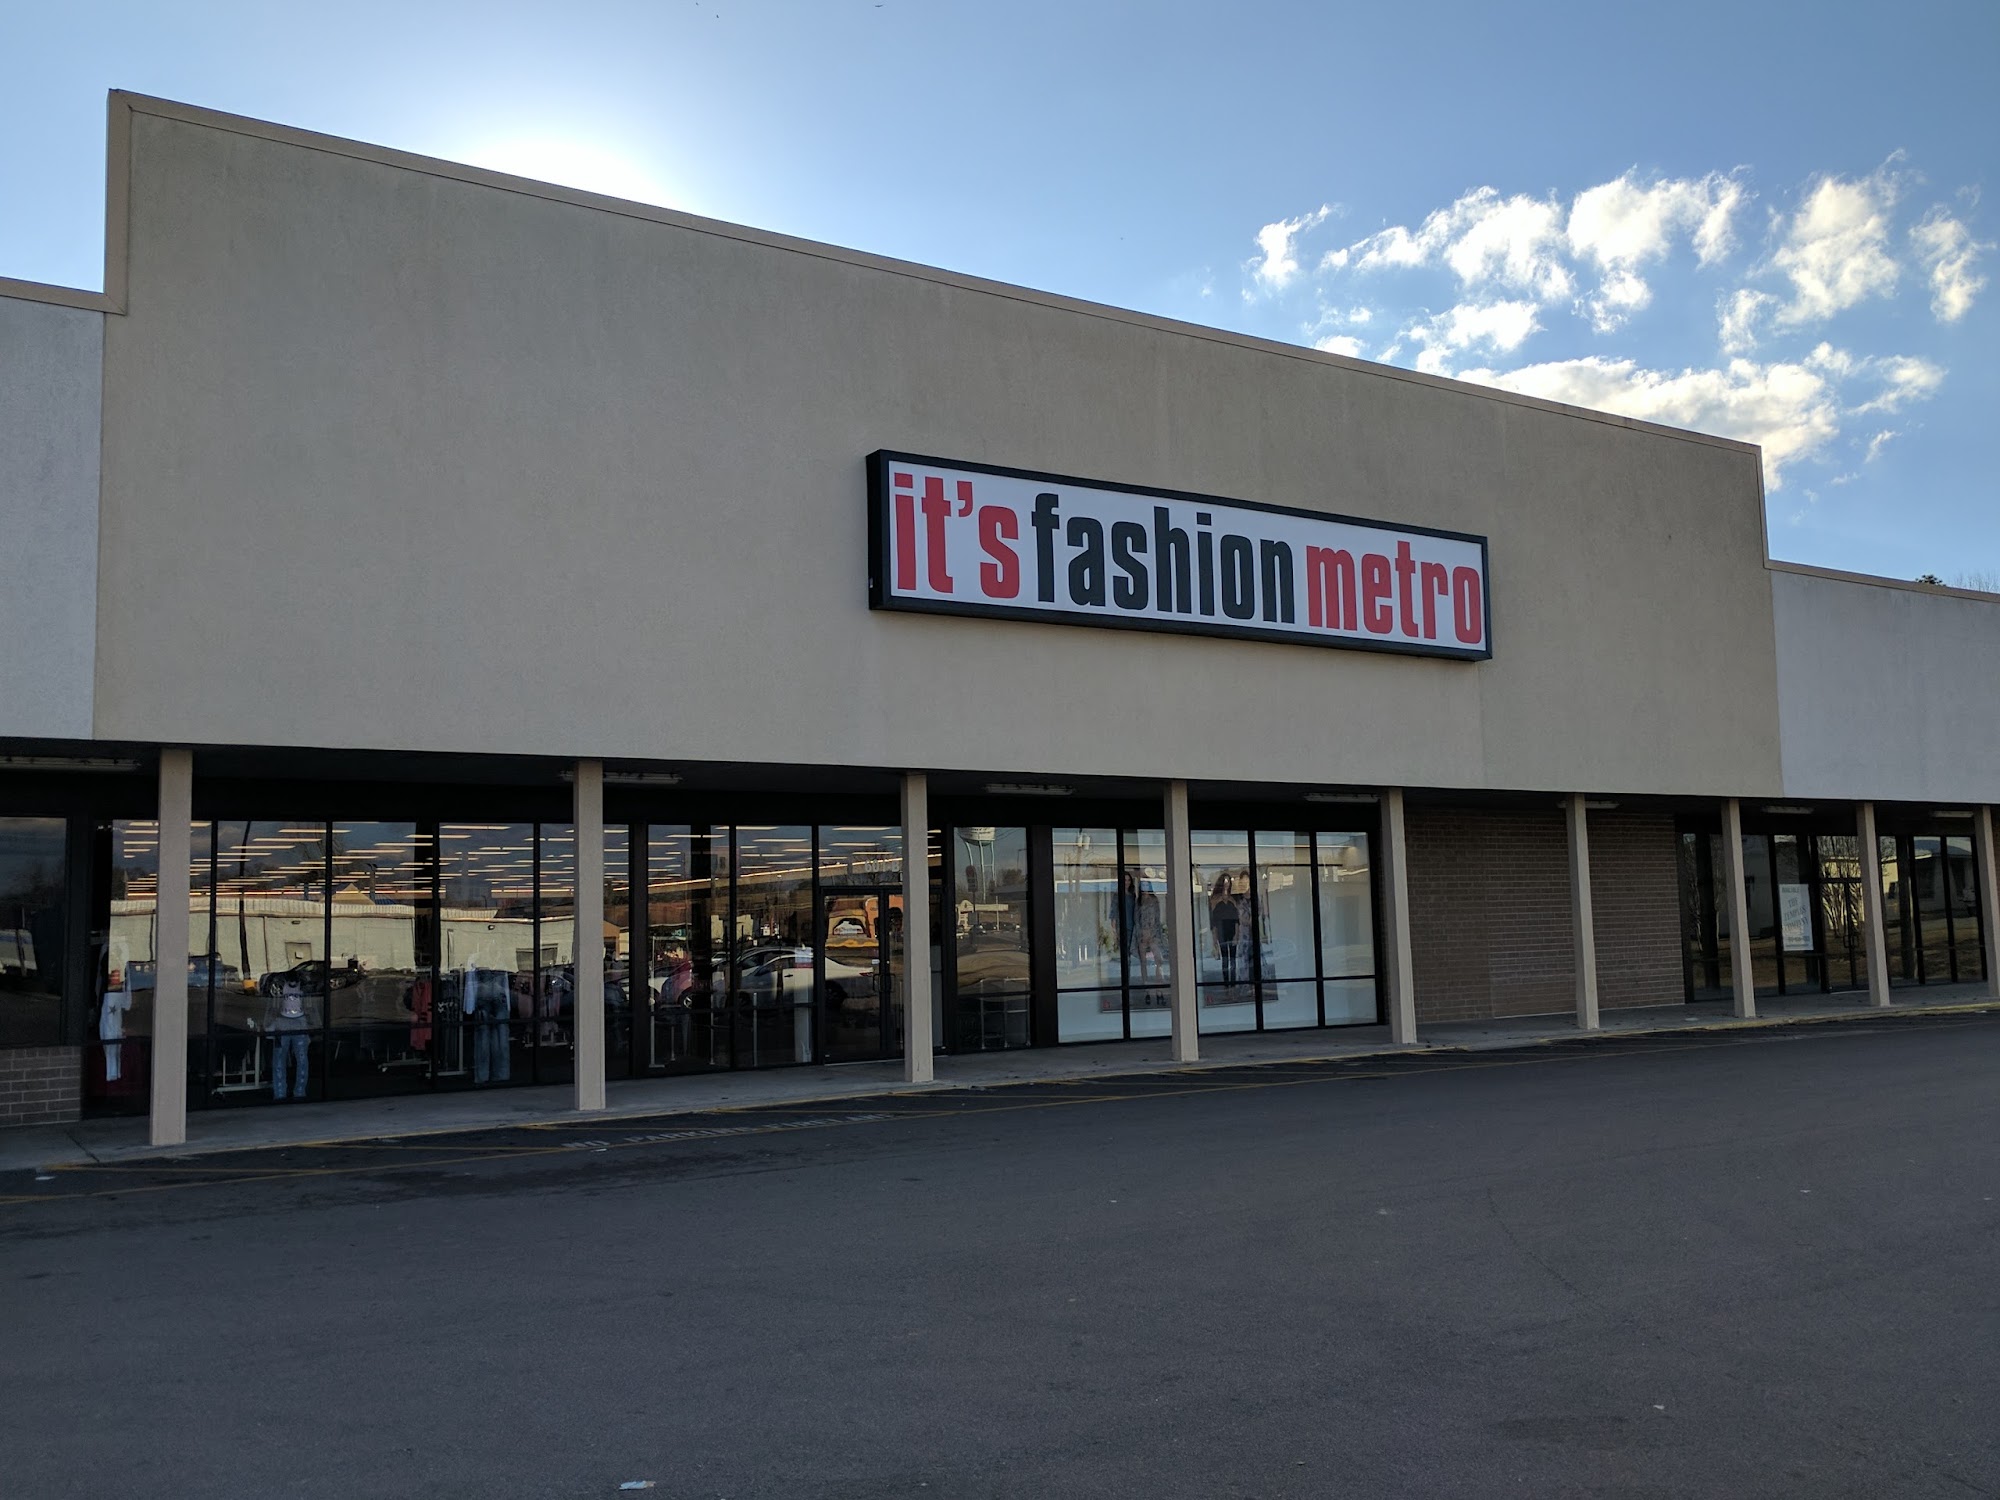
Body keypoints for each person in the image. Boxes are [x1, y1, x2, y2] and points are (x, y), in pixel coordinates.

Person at [266, 978, 313, 1101]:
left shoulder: (303, 987)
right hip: (282, 1022)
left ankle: (297, 1091)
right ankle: (281, 1092)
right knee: (281, 1059)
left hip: (298, 1023)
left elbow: (310, 1006)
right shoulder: (279, 985)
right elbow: (273, 1006)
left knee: (300, 1059)